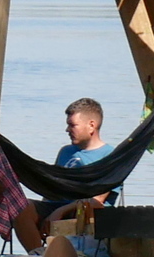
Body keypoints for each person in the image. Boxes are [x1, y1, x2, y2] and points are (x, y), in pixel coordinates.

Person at [37, 97, 122, 226]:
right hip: (57, 207)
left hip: (89, 215)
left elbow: (97, 201)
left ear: (91, 126)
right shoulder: (66, 152)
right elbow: (52, 190)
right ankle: (37, 247)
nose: (67, 130)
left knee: (84, 210)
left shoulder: (110, 155)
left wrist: (60, 211)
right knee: (22, 207)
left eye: (72, 125)